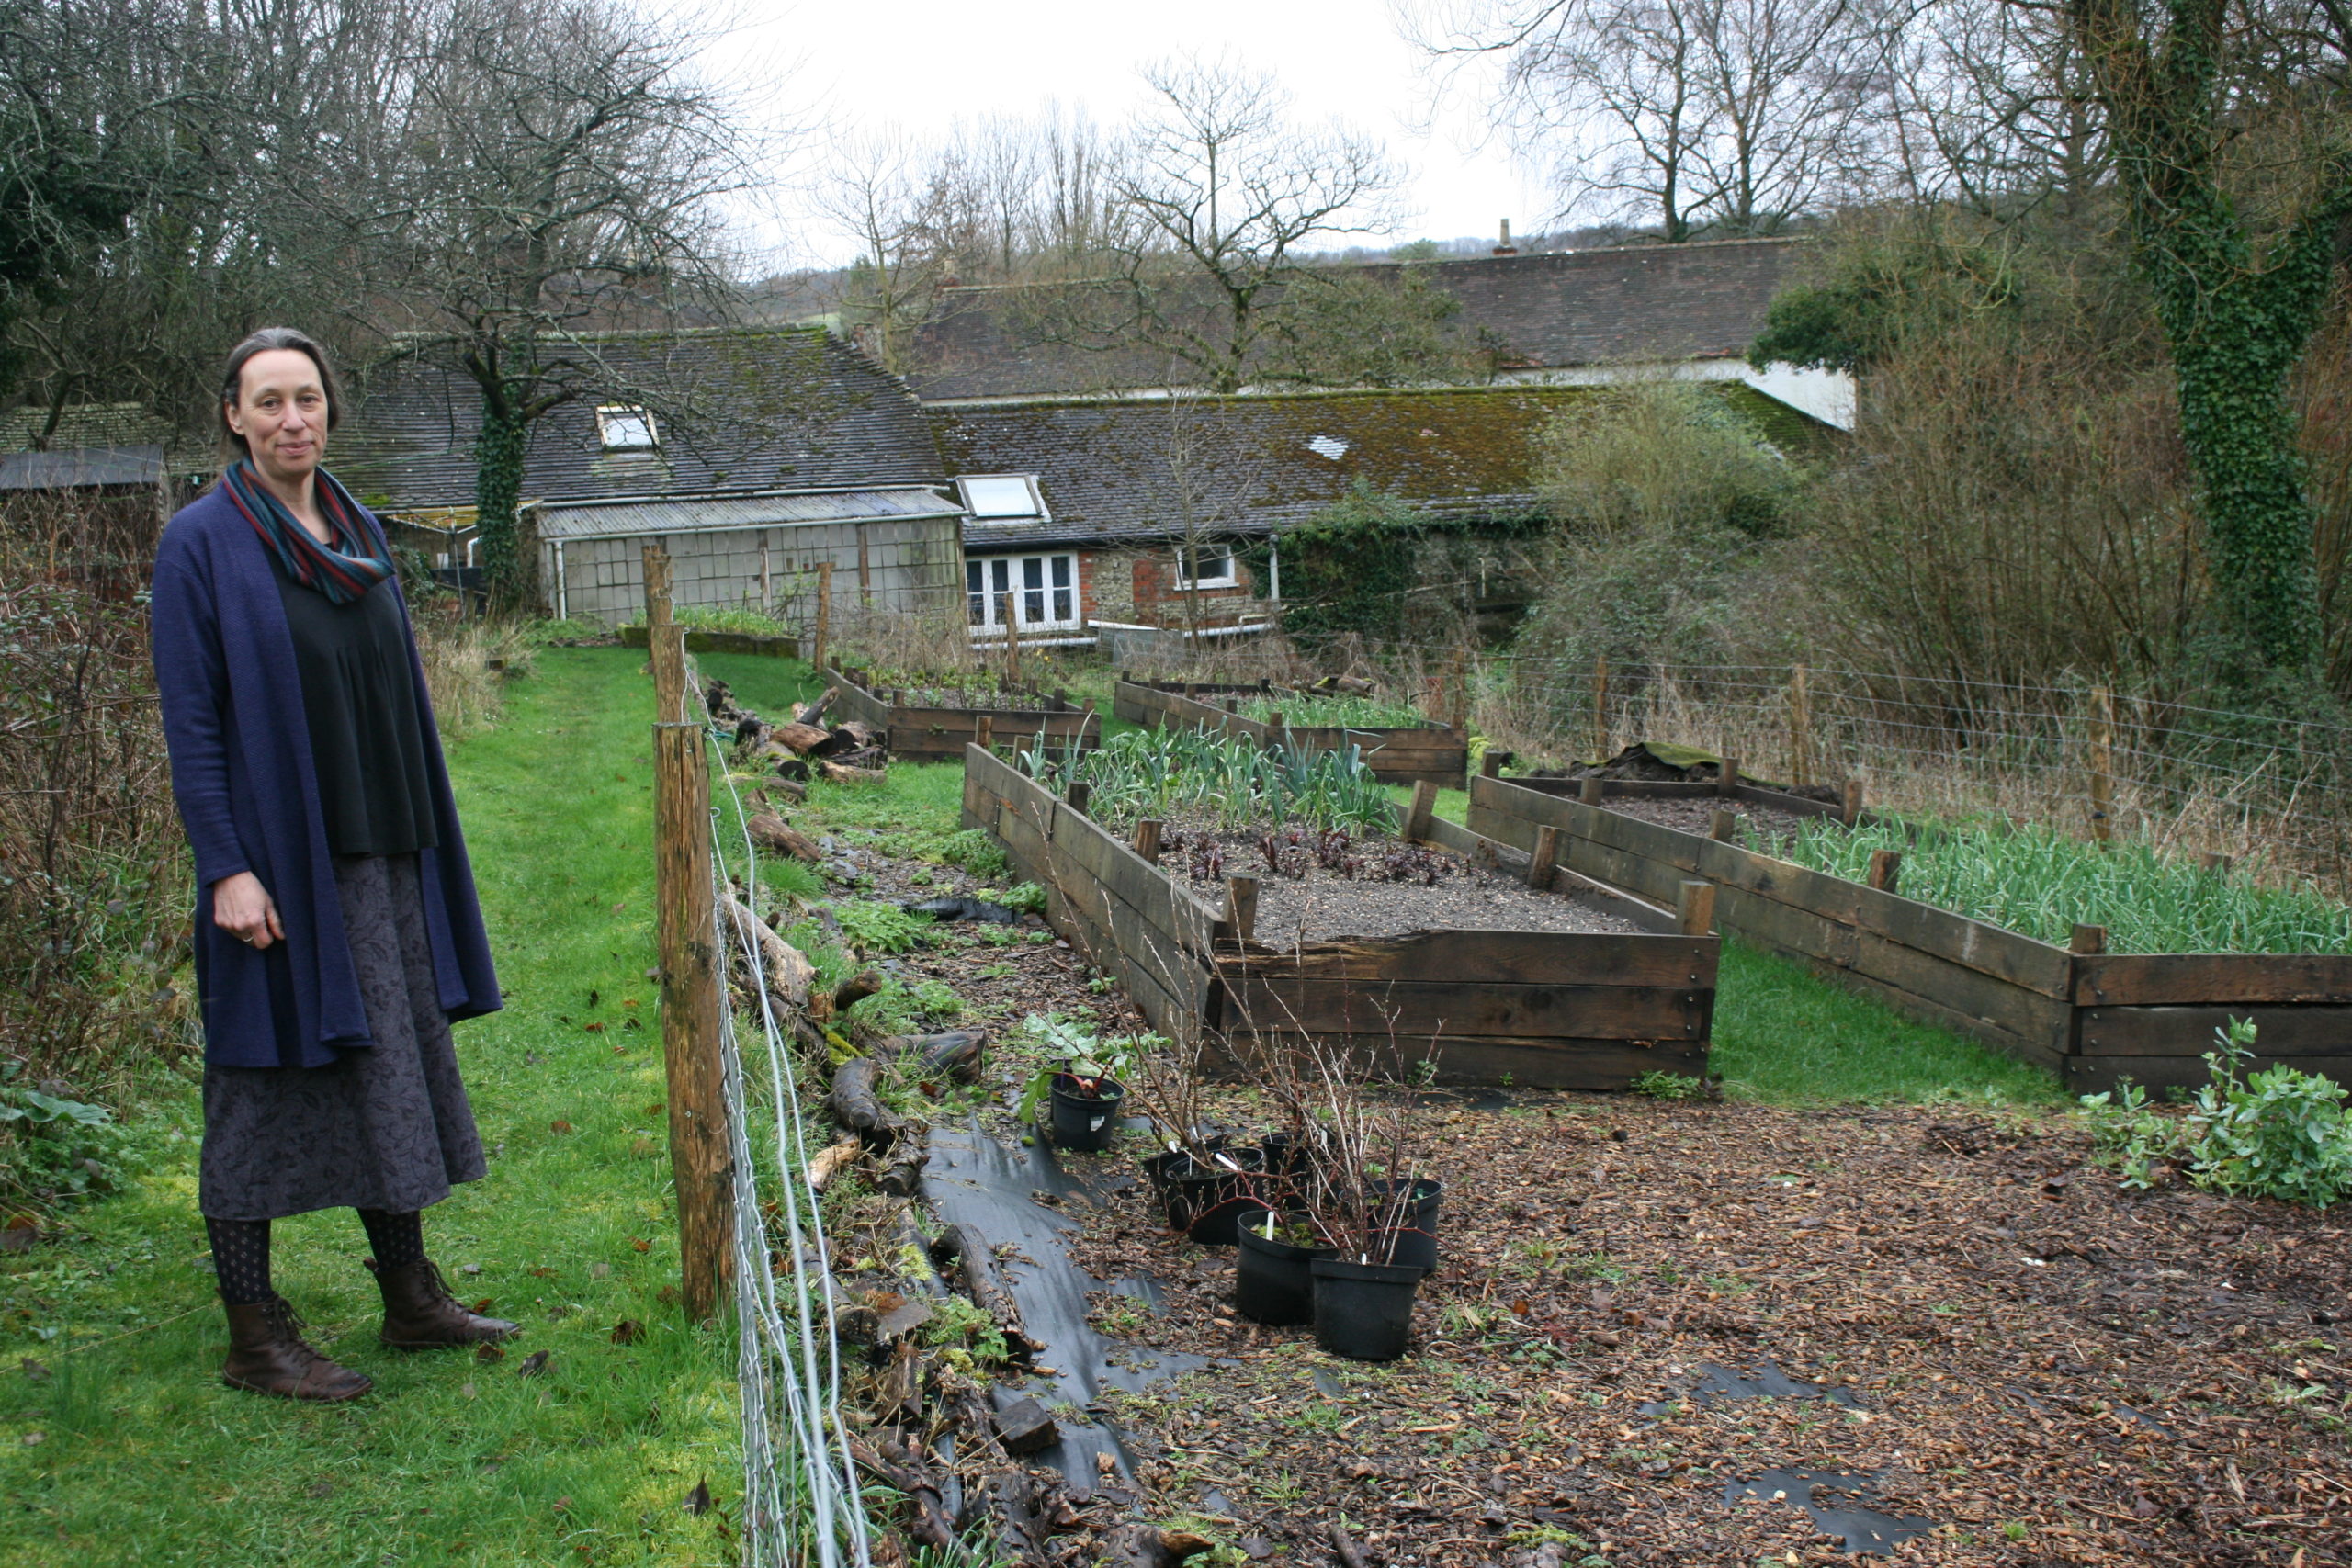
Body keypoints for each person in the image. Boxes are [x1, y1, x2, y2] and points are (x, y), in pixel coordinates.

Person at [151, 328, 514, 1403]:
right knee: (258, 1085)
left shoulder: (354, 528)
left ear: (329, 410)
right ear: (233, 416)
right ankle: (254, 1333)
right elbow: (194, 722)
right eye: (267, 402)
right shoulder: (202, 543)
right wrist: (227, 867)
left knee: (388, 1067)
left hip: (378, 850)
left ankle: (408, 1296)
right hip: (280, 867)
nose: (289, 419)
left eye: (306, 398)